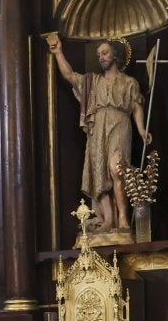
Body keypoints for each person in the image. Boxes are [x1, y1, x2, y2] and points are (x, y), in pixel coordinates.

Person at [45, 33, 151, 232]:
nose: (101, 57)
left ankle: (123, 219)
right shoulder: (92, 83)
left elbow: (137, 106)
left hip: (119, 124)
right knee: (99, 172)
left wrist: (142, 129)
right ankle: (109, 220)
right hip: (97, 128)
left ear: (115, 56)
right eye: (98, 54)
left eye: (104, 53)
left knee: (117, 169)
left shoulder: (129, 82)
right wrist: (58, 52)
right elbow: (70, 76)